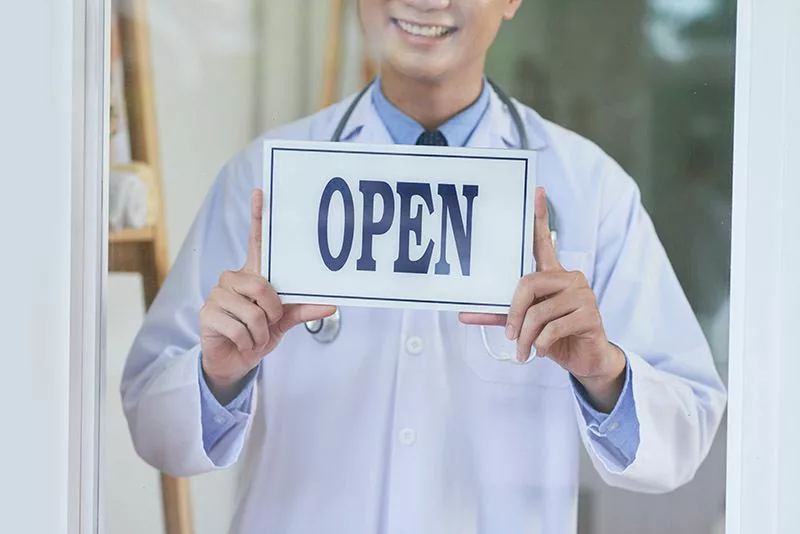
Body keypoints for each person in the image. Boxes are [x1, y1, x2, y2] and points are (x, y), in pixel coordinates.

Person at [120, 0, 727, 532]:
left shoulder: (591, 192)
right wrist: (218, 379)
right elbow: (153, 421)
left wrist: (604, 375)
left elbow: (685, 430)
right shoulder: (264, 180)